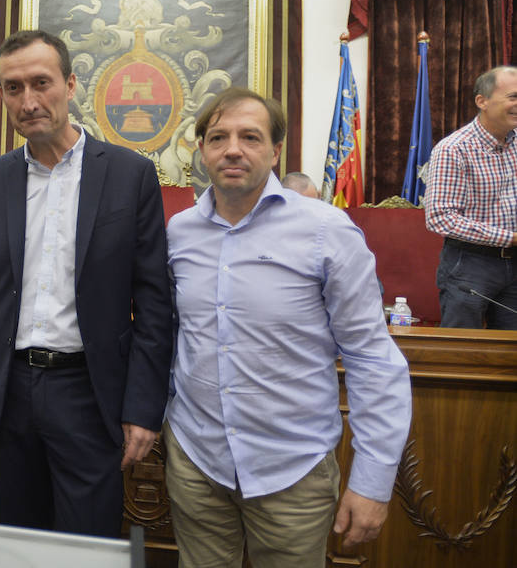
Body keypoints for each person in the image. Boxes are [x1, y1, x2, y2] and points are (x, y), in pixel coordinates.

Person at [164, 87, 411, 567]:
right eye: (218, 137)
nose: (233, 148)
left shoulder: (326, 231)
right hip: (197, 463)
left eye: (250, 137)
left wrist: (372, 481)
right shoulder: (178, 233)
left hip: (291, 471)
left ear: (275, 150)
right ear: (202, 151)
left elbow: (371, 359)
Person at [0, 30, 173, 537]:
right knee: (21, 537)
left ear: (70, 84)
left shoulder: (129, 175)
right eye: (13, 88)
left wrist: (143, 408)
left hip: (90, 393)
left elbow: (155, 304)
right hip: (9, 392)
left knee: (90, 542)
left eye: (41, 83)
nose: (28, 101)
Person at [424, 66, 517, 329]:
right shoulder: (454, 149)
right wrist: (509, 237)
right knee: (460, 353)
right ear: (482, 101)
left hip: (515, 263)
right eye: (513, 96)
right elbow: (440, 219)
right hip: (470, 265)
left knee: (511, 354)